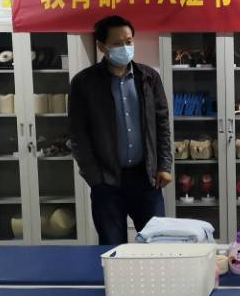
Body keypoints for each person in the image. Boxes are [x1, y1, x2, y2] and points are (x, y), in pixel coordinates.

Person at [69, 15, 172, 244]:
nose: (125, 48)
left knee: (155, 244)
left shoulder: (149, 78)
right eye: (117, 43)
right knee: (112, 247)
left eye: (128, 41)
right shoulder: (84, 83)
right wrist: (95, 178)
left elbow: (162, 124)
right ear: (101, 46)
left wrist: (164, 165)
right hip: (107, 182)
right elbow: (78, 135)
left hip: (146, 179)